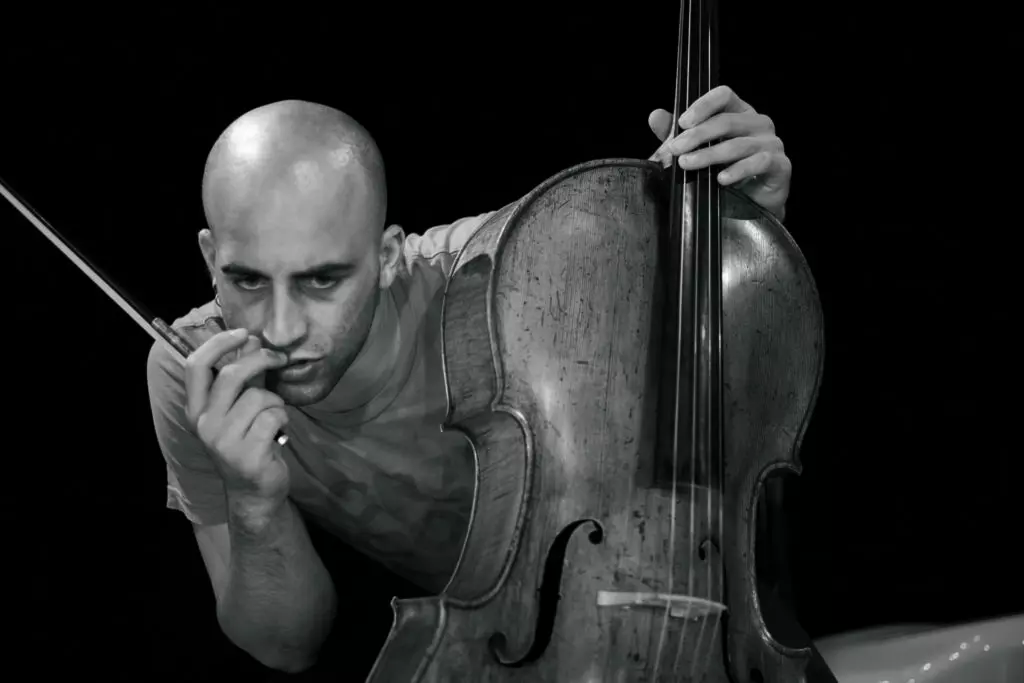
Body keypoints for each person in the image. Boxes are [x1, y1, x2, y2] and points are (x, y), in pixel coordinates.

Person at [145, 85, 791, 674]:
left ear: (387, 256)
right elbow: (288, 646)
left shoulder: (511, 268)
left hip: (691, 613)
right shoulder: (193, 371)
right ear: (210, 259)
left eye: (322, 280)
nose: (281, 329)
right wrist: (253, 502)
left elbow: (727, 378)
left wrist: (740, 232)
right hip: (505, 655)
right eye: (248, 280)